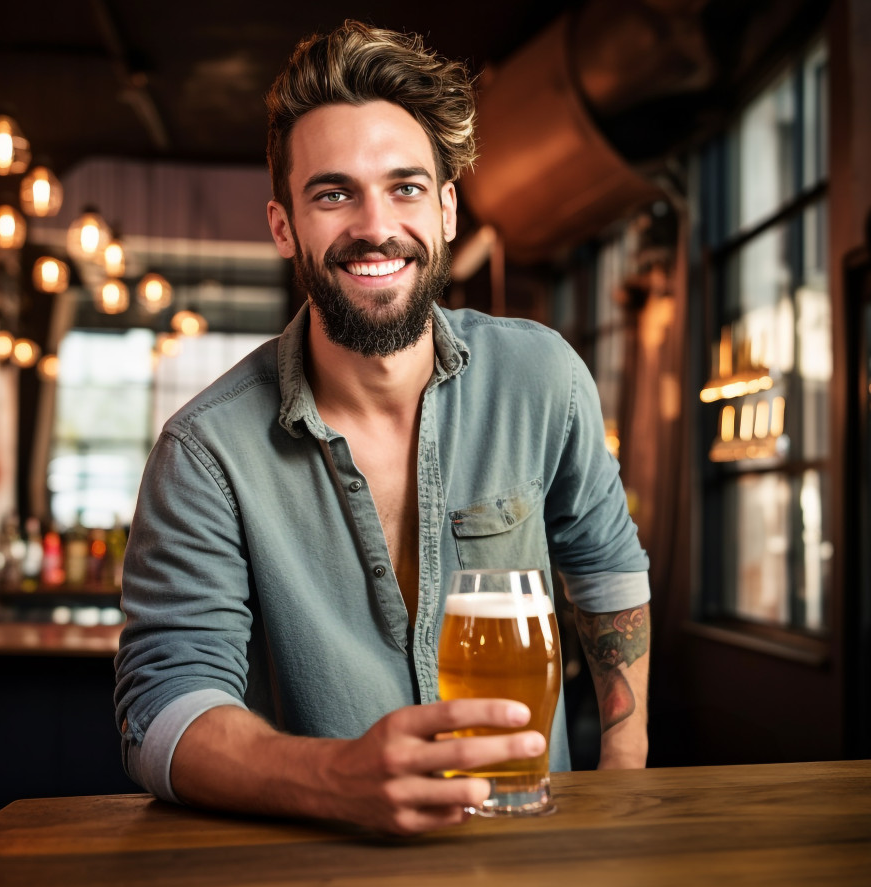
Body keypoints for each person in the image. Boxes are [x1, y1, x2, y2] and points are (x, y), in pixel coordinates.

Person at [114, 21, 650, 836]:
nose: (374, 225)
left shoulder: (543, 379)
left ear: (445, 210)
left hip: (531, 856)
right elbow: (160, 713)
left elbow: (607, 573)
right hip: (308, 876)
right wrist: (335, 779)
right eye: (333, 193)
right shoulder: (204, 454)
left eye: (404, 187)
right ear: (283, 225)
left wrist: (621, 785)